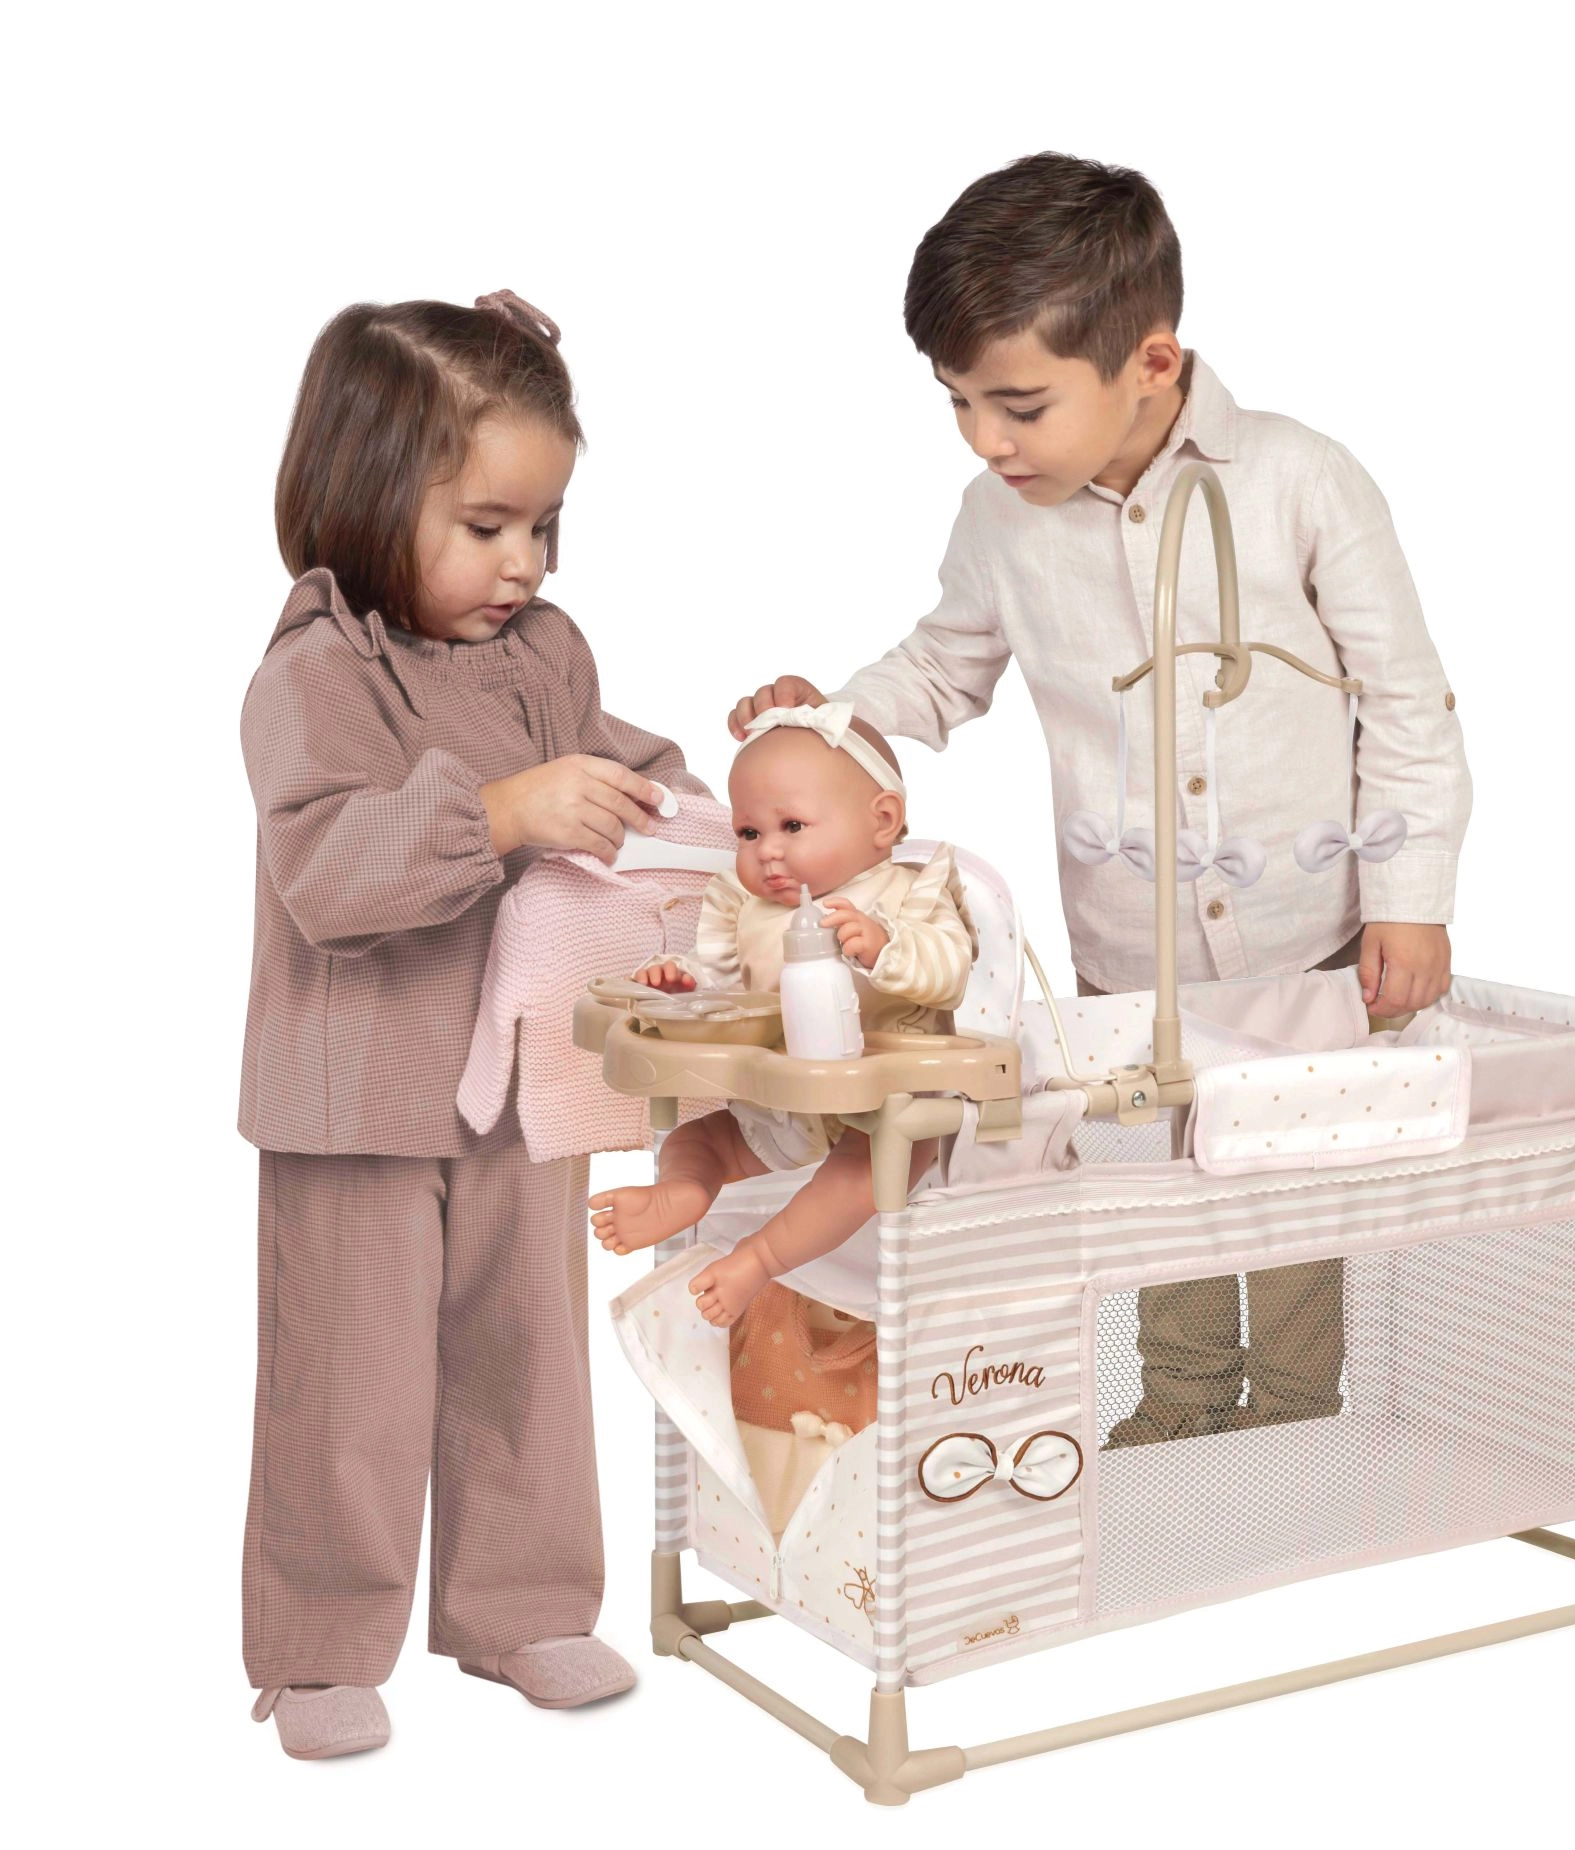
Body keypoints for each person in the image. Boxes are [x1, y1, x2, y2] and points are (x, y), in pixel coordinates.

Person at [729, 155, 1471, 1447]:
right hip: (1130, 947)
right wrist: (827, 720)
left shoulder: (1300, 480)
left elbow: (1407, 702)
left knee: (1296, 1185)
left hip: (1313, 935)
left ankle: (1298, 1420)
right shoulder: (998, 518)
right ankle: (1181, 1406)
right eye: (959, 404)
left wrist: (1412, 897)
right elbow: (940, 670)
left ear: (1152, 361)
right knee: (1157, 1179)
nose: (985, 440)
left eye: (1018, 405)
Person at [239, 292, 694, 1758]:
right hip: (355, 1091)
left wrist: (708, 809)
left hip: (521, 1075)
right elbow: (325, 871)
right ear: (371, 499)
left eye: (544, 526)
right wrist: (503, 813)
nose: (526, 563)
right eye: (488, 526)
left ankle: (521, 1606)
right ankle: (320, 1646)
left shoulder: (543, 654)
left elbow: (615, 762)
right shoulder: (316, 672)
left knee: (526, 1351)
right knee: (348, 1379)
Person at [588, 705, 974, 1328]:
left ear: (882, 820)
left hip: (888, 1104)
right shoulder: (744, 908)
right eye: (748, 833)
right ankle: (686, 1189)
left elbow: (948, 970)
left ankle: (759, 1258)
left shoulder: (911, 892)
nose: (767, 851)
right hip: (783, 1099)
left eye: (792, 825)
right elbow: (725, 983)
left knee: (873, 1167)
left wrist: (885, 946)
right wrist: (681, 983)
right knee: (698, 1139)